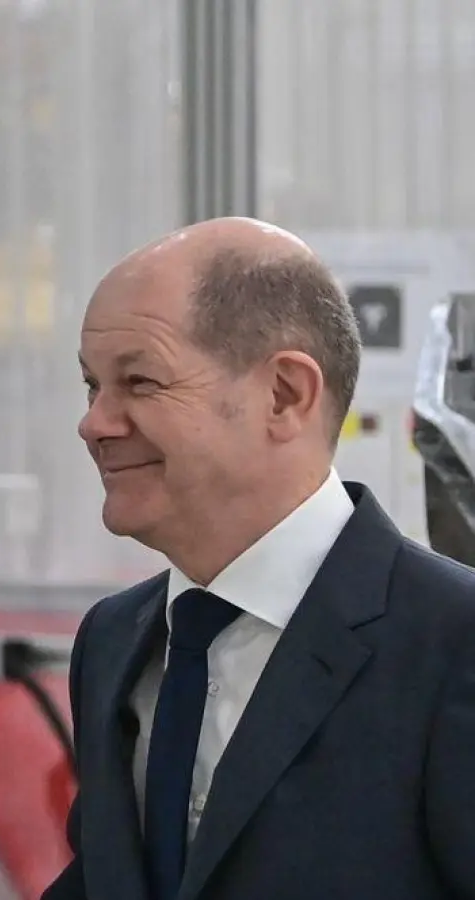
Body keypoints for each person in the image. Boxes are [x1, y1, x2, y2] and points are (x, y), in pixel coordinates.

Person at [45, 216, 475, 900]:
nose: (94, 423)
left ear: (284, 395)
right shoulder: (113, 641)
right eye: (91, 386)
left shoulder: (450, 645)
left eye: (140, 383)